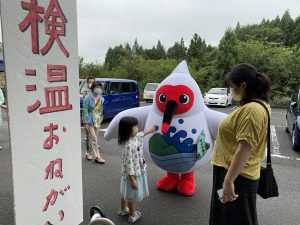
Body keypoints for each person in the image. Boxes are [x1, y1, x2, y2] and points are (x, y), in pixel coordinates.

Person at [209, 63, 271, 225]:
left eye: (232, 87)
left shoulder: (252, 110)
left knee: (236, 219)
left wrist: (229, 180)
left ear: (243, 85)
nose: (231, 90)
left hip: (237, 176)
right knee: (227, 217)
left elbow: (246, 148)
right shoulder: (256, 105)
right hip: (234, 172)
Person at [117, 116, 156, 223]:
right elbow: (128, 164)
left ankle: (122, 209)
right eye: (134, 126)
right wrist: (132, 179)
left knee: (125, 191)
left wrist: (151, 130)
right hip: (132, 174)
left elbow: (141, 134)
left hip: (138, 169)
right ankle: (132, 215)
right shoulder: (128, 145)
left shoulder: (135, 138)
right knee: (131, 195)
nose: (136, 128)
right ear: (127, 129)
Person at [82, 82, 105, 163]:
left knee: (94, 139)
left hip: (97, 120)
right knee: (94, 138)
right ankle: (98, 156)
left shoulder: (101, 99)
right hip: (90, 120)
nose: (98, 89)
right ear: (93, 88)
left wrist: (101, 118)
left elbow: (100, 110)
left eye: (100, 87)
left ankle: (88, 153)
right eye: (97, 87)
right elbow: (85, 110)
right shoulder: (88, 98)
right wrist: (86, 122)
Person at [83, 77, 96, 153]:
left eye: (92, 82)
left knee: (94, 130)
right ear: (87, 83)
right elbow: (85, 101)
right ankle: (89, 148)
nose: (91, 84)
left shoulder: (97, 90)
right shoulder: (85, 90)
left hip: (95, 114)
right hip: (87, 112)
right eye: (90, 82)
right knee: (88, 130)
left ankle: (93, 144)